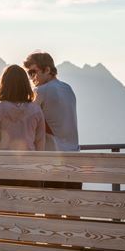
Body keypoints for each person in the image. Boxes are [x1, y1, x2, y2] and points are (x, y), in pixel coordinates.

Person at [23, 51, 80, 189]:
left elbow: (25, 119)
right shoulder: (68, 88)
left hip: (53, 159)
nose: (31, 78)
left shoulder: (40, 91)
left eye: (33, 72)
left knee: (52, 207)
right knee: (71, 206)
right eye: (28, 74)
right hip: (74, 159)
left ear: (47, 70)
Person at [0, 65, 45, 187]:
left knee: (5, 206)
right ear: (26, 85)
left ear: (4, 84)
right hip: (31, 172)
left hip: (6, 171)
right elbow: (40, 145)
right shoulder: (36, 110)